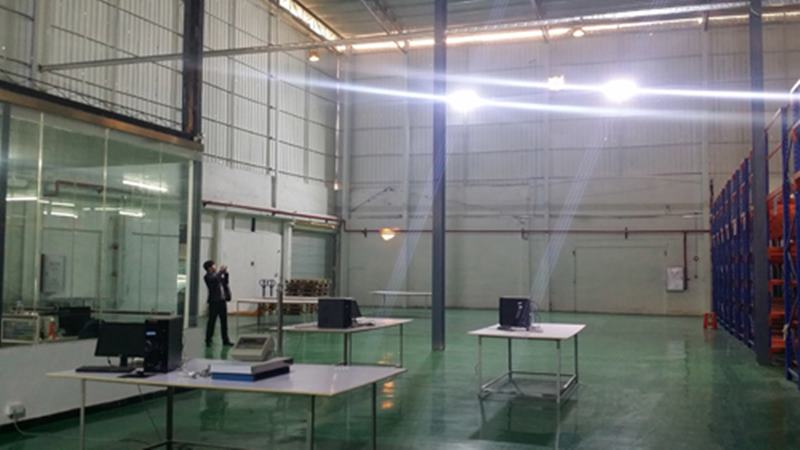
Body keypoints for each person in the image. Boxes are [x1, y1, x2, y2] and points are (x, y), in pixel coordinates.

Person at [204, 260, 233, 347]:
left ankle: (225, 340)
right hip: (214, 302)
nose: (215, 267)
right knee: (212, 321)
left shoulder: (217, 275)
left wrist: (226, 273)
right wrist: (221, 272)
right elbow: (214, 279)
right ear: (209, 268)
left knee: (224, 322)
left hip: (222, 301)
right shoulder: (207, 277)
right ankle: (208, 339)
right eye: (213, 265)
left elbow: (225, 282)